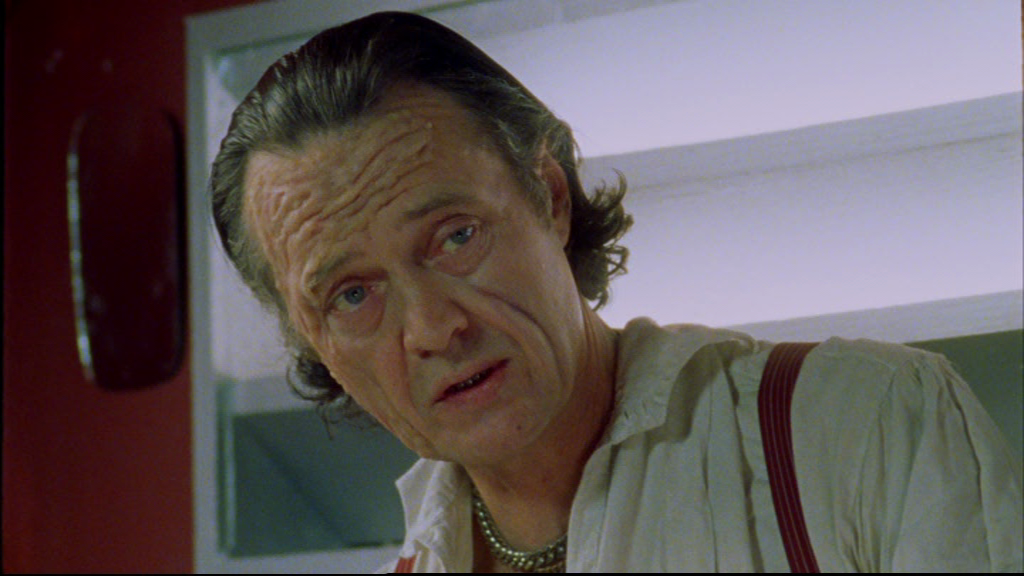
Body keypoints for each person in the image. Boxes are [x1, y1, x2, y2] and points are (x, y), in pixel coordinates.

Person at [210, 11, 1022, 573]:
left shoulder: (862, 428)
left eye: (455, 237)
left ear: (550, 196)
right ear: (314, 346)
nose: (432, 328)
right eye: (352, 296)